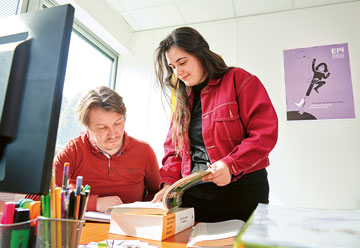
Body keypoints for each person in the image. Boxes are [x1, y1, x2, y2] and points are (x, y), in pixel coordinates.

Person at [152, 27, 278, 222]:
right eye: (172, 67)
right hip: (195, 197)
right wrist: (167, 185)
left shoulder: (238, 79)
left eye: (182, 62)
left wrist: (230, 165)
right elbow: (174, 150)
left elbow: (264, 133)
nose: (179, 72)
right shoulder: (183, 100)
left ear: (201, 53)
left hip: (243, 193)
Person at [54, 86, 161, 212]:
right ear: (87, 127)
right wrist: (92, 203)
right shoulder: (72, 152)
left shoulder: (144, 152)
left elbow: (157, 194)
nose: (113, 134)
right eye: (102, 128)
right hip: (82, 229)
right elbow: (39, 197)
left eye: (117, 123)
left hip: (130, 228)